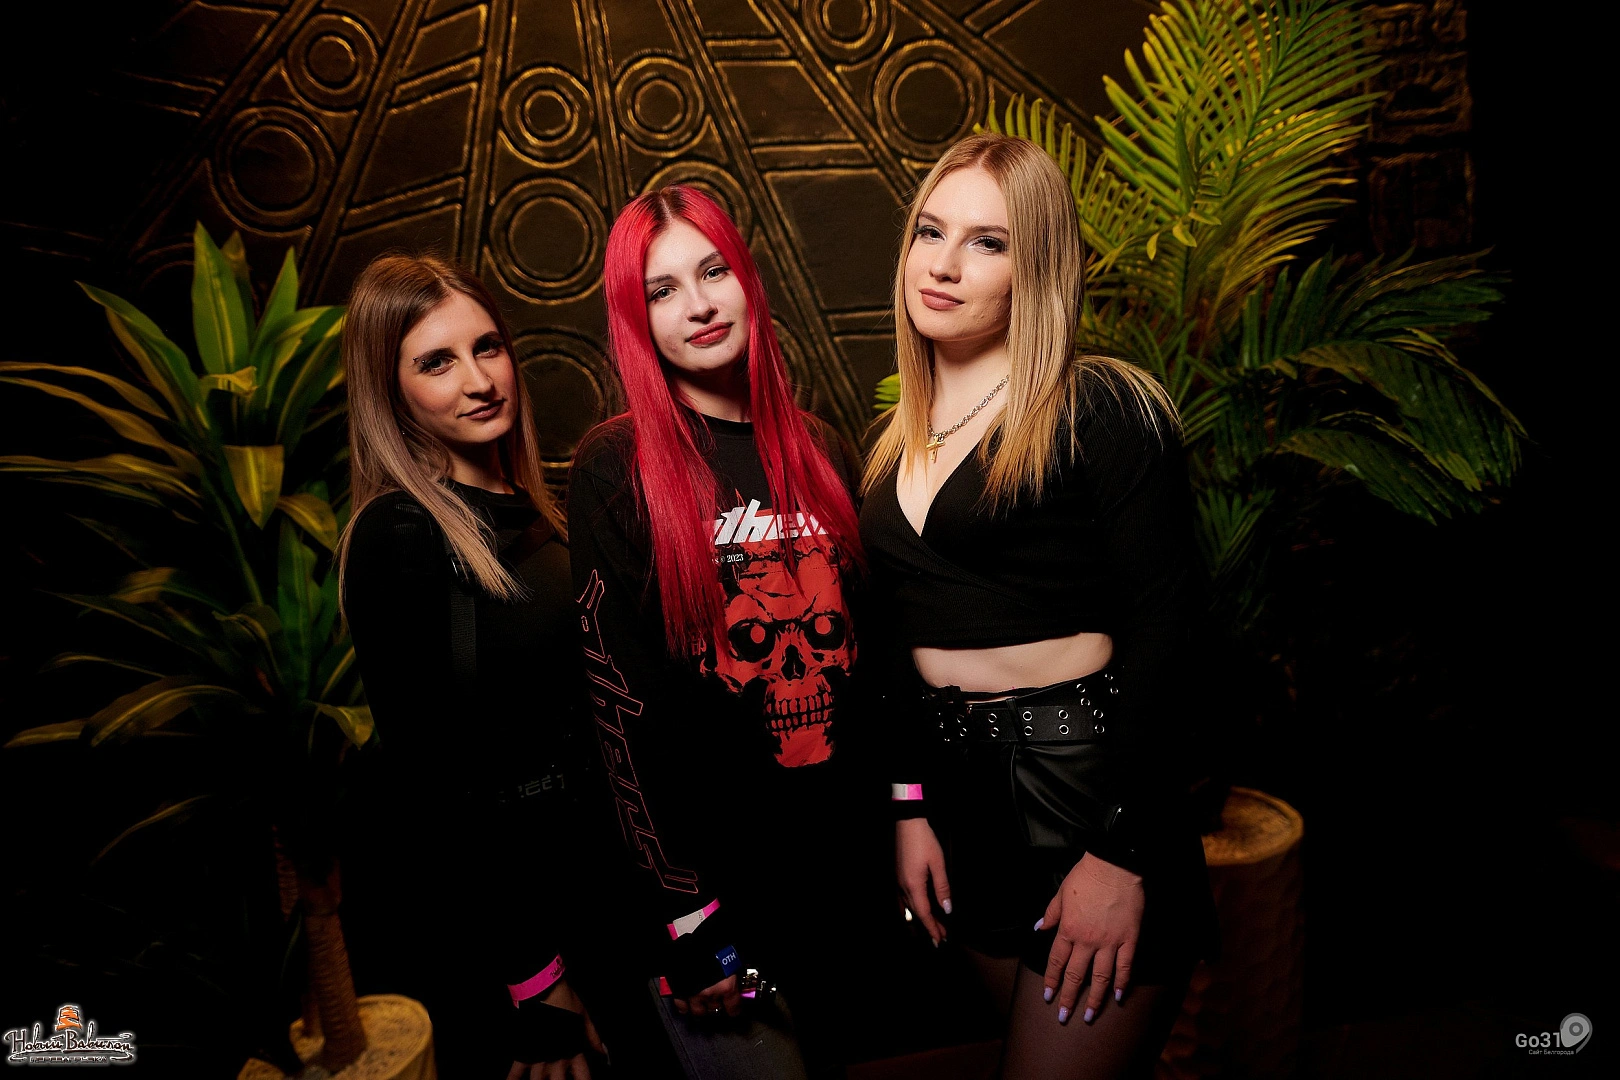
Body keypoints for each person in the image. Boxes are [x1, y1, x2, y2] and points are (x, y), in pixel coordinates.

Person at [858, 132, 1220, 1079]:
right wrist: (910, 806)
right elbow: (895, 642)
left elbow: (1172, 632)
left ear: (1038, 269)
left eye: (988, 242)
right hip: (962, 811)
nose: (943, 264)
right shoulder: (891, 442)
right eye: (930, 231)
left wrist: (1120, 852)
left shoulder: (1102, 405)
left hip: (1087, 795)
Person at [567, 185, 884, 1076]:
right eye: (662, 290)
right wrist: (687, 916)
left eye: (713, 272)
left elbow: (872, 663)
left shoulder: (821, 447)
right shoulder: (616, 467)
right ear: (636, 320)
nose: (699, 304)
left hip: (845, 876)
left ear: (748, 280)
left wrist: (904, 821)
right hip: (722, 903)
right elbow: (621, 718)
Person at [337, 253, 612, 1080]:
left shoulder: (528, 509)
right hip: (517, 937)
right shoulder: (402, 534)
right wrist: (535, 980)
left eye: (487, 347)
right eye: (437, 362)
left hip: (589, 891)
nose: (479, 380)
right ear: (389, 391)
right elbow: (437, 783)